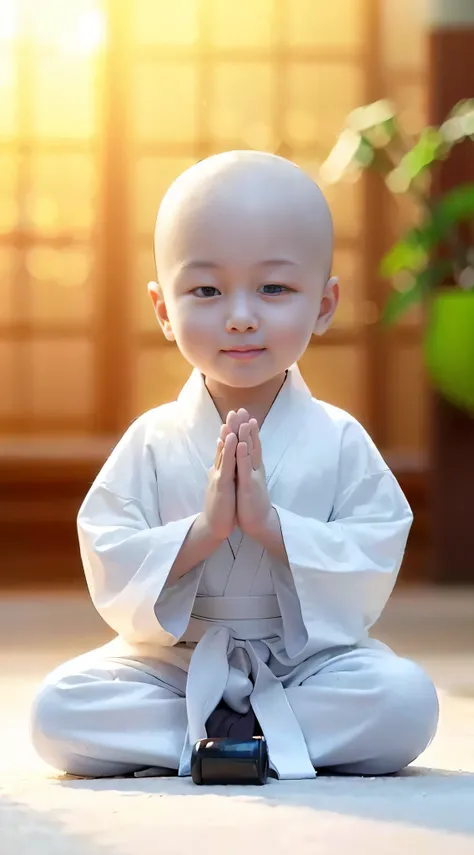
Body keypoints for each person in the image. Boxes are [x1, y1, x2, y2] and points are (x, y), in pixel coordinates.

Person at [30, 151, 439, 780]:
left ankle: (207, 744)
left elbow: (373, 549)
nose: (241, 314)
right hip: (174, 662)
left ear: (325, 304)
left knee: (405, 701)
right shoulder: (151, 439)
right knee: (57, 712)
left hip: (303, 664)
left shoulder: (338, 437)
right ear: (164, 309)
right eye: (206, 290)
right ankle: (260, 740)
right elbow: (109, 550)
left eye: (274, 287)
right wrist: (204, 533)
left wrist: (274, 528)